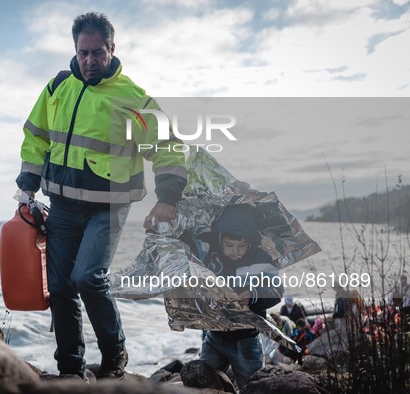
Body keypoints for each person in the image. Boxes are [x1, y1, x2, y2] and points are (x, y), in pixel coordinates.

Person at [15, 12, 187, 380]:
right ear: (75, 50)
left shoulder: (134, 98)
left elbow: (169, 147)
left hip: (107, 208)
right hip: (61, 204)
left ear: (112, 49)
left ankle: (114, 356)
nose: (89, 61)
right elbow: (36, 136)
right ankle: (70, 369)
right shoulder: (57, 87)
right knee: (60, 287)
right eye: (83, 53)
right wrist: (27, 184)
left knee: (88, 278)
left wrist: (168, 197)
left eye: (97, 53)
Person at [199, 204, 284, 389]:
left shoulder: (262, 260)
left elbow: (276, 290)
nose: (235, 251)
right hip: (215, 335)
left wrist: (254, 295)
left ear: (251, 242)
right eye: (229, 245)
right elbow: (188, 244)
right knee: (203, 380)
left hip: (246, 338)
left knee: (253, 385)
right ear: (220, 239)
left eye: (242, 246)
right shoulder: (212, 257)